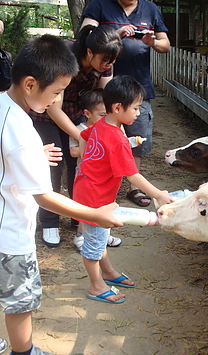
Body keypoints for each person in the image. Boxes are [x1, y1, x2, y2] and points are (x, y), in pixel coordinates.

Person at [0, 35, 123, 355]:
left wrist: (31, 157)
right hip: (7, 229)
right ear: (30, 84)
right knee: (21, 299)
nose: (57, 100)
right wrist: (95, 215)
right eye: (56, 92)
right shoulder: (22, 128)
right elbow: (44, 197)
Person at [73, 75, 172, 304]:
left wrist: (88, 163)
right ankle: (97, 286)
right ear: (118, 107)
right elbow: (132, 175)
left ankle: (108, 273)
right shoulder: (117, 138)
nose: (138, 113)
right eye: (136, 108)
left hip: (86, 189)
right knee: (93, 245)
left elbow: (85, 135)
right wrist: (158, 194)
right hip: (96, 198)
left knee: (99, 236)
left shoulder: (101, 124)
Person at [80, 0, 171, 208]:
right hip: (103, 83)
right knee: (102, 133)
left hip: (139, 84)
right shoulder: (99, 5)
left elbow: (166, 44)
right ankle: (98, 179)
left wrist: (153, 42)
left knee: (136, 137)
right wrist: (114, 36)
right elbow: (85, 34)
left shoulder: (150, 9)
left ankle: (135, 188)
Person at [30, 24, 123, 247]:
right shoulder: (66, 58)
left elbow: (107, 100)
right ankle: (49, 221)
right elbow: (53, 108)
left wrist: (116, 130)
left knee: (81, 167)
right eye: (105, 60)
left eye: (112, 61)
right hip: (47, 113)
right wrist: (82, 136)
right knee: (54, 164)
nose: (108, 65)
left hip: (79, 114)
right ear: (89, 52)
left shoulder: (105, 63)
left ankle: (79, 219)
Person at [69, 88, 121, 251]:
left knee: (106, 204)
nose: (105, 118)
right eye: (101, 115)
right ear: (87, 113)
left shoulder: (109, 129)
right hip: (87, 178)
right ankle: (81, 235)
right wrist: (92, 148)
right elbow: (73, 151)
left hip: (104, 178)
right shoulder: (81, 129)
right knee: (87, 209)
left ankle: (103, 234)